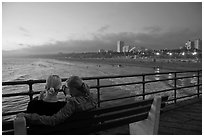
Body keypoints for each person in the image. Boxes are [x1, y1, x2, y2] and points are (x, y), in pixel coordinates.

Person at [17, 76, 96, 127]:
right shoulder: (92, 97)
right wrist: (68, 96)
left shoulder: (72, 103)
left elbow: (53, 120)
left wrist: (27, 115)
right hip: (86, 129)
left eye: (68, 88)